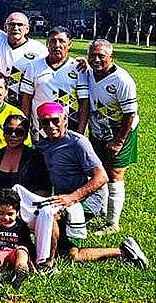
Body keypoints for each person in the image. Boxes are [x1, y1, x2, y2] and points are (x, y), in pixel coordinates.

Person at [18, 101, 147, 272]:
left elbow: (102, 177)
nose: (50, 126)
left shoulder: (78, 143)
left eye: (55, 120)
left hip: (87, 200)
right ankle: (125, 251)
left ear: (65, 119)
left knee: (51, 216)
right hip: (63, 198)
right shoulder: (43, 145)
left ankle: (48, 264)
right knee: (72, 255)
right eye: (45, 122)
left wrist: (72, 198)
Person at [85, 39, 139, 236]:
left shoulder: (122, 80)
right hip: (98, 131)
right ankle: (102, 210)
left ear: (111, 57)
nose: (96, 59)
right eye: (93, 55)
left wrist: (119, 141)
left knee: (115, 174)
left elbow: (130, 114)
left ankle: (113, 223)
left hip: (121, 133)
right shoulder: (89, 73)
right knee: (99, 170)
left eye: (102, 56)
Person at [0, 115, 49, 229]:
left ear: (26, 136)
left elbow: (44, 190)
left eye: (19, 132)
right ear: (4, 133)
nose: (13, 135)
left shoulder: (35, 158)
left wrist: (20, 210)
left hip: (25, 211)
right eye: (9, 131)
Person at [20, 26, 89, 140]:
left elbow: (84, 103)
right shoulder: (33, 67)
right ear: (47, 44)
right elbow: (26, 99)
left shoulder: (78, 68)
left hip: (68, 130)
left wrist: (80, 132)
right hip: (40, 130)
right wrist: (24, 126)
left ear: (69, 44)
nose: (57, 45)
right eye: (53, 41)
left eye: (62, 41)